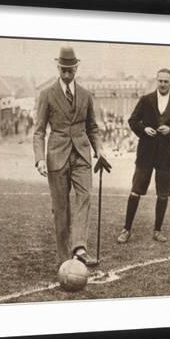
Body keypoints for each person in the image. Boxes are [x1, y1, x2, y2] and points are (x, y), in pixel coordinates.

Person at [33, 46, 110, 269]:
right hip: (56, 156)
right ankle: (63, 257)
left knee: (84, 197)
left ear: (76, 67)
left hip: (82, 156)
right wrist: (39, 158)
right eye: (63, 70)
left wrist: (99, 150)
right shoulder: (46, 94)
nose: (67, 74)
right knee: (61, 207)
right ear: (58, 67)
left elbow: (93, 127)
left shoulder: (86, 95)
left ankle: (79, 248)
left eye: (70, 70)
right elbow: (38, 131)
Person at [116, 68, 170, 244]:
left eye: (166, 81)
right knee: (135, 190)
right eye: (160, 81)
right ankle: (126, 229)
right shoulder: (146, 100)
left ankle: (157, 230)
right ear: (156, 81)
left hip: (165, 156)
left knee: (163, 194)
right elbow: (133, 120)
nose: (163, 84)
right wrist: (143, 129)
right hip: (146, 153)